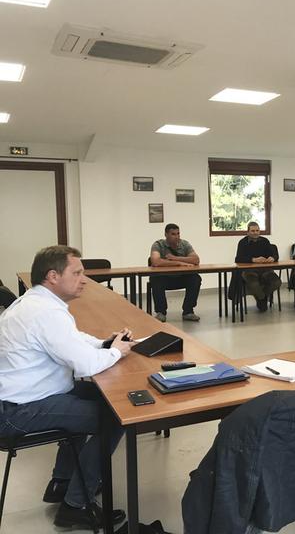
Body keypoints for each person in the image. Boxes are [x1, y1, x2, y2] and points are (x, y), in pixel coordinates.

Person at [0, 246, 132, 530]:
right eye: (77, 272)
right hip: (19, 409)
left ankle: (61, 483)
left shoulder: (36, 303)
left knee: (106, 399)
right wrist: (117, 352)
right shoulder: (45, 312)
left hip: (29, 395)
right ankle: (76, 506)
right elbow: (85, 366)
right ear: (52, 276)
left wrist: (103, 343)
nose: (84, 279)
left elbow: (71, 339)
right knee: (116, 415)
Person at [149, 223, 202, 322]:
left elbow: (196, 260)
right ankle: (161, 312)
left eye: (178, 234)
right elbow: (155, 261)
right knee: (155, 278)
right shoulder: (158, 245)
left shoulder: (185, 244)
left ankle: (188, 311)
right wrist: (179, 263)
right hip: (164, 279)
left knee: (195, 278)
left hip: (181, 278)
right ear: (166, 234)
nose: (176, 236)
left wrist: (175, 258)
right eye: (173, 234)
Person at [235, 222, 282, 312]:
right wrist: (253, 260)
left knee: (277, 282)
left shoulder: (265, 241)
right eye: (252, 231)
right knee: (254, 284)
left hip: (265, 270)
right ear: (248, 232)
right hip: (249, 271)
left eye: (257, 230)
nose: (255, 232)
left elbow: (274, 255)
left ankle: (261, 298)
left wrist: (273, 258)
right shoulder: (242, 242)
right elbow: (238, 259)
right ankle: (262, 299)